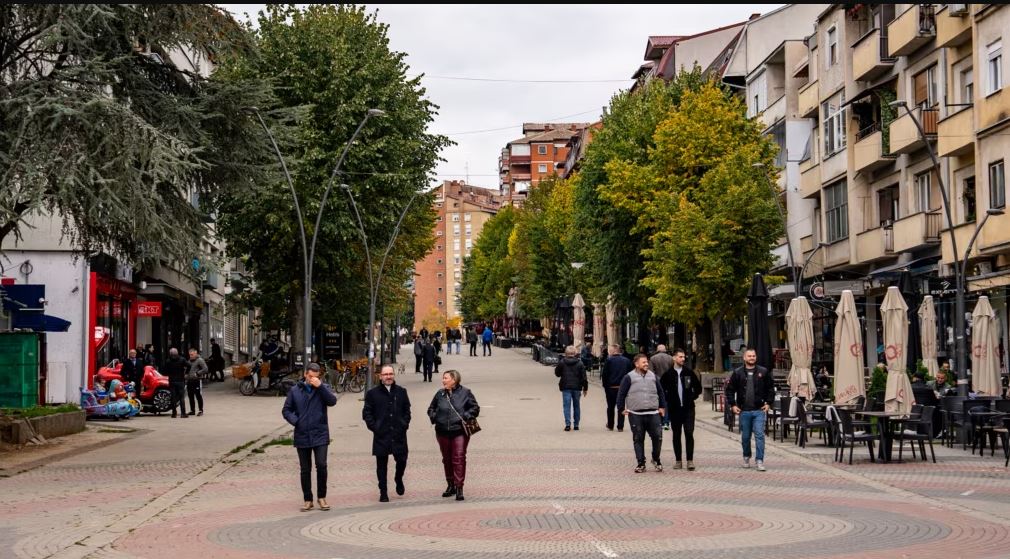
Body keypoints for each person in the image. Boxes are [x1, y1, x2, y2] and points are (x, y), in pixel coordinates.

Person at [282, 363, 337, 511]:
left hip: (320, 433)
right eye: (311, 376)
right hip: (302, 434)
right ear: (305, 374)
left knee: (322, 465)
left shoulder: (322, 388)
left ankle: (322, 497)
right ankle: (308, 499)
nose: (313, 379)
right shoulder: (295, 390)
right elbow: (286, 410)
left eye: (316, 377)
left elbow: (332, 401)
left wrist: (320, 387)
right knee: (305, 469)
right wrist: (296, 421)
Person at [427, 369, 480, 501]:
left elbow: (475, 408)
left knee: (459, 457)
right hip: (442, 431)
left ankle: (459, 487)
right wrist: (435, 417)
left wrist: (465, 416)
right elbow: (431, 408)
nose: (443, 380)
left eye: (446, 378)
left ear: (454, 380)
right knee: (447, 459)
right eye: (443, 378)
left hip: (460, 431)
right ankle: (450, 485)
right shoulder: (440, 394)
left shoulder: (465, 393)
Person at [362, 364, 411, 502]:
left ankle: (398, 478)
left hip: (399, 433)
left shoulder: (401, 391)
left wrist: (404, 424)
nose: (388, 377)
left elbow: (407, 410)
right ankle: (383, 491)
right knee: (381, 465)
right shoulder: (372, 394)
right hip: (381, 434)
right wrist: (375, 427)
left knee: (402, 460)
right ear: (380, 376)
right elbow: (367, 413)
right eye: (386, 374)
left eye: (390, 374)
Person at [616, 353, 667, 473]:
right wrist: (621, 408)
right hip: (636, 414)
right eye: (643, 362)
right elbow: (621, 393)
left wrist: (662, 407)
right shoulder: (629, 377)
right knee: (638, 438)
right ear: (636, 364)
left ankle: (656, 458)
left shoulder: (653, 376)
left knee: (658, 436)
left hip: (653, 412)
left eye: (646, 362)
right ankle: (641, 462)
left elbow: (661, 392)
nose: (646, 364)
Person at [726, 348, 775, 471]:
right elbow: (730, 390)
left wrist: (769, 403)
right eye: (749, 356)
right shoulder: (737, 373)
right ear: (744, 358)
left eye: (753, 356)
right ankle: (746, 456)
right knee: (745, 437)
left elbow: (770, 388)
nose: (752, 358)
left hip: (759, 410)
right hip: (744, 411)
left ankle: (759, 460)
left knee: (759, 435)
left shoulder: (763, 372)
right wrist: (733, 405)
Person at [660, 348, 701, 470]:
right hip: (675, 409)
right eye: (680, 357)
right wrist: (669, 400)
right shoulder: (668, 374)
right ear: (674, 358)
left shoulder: (688, 372)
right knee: (676, 435)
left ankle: (690, 460)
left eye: (684, 357)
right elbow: (661, 390)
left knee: (689, 433)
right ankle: (678, 460)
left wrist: (691, 397)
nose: (683, 359)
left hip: (688, 409)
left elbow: (698, 388)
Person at [555, 345, 588, 431]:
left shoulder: (562, 362)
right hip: (577, 387)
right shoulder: (580, 363)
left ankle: (568, 424)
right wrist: (585, 388)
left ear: (566, 353)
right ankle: (576, 424)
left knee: (566, 406)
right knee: (577, 406)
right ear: (575, 353)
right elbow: (584, 377)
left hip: (566, 386)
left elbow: (557, 374)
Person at [602, 344, 633, 432]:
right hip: (623, 387)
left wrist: (605, 386)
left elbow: (605, 375)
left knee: (610, 407)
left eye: (610, 350)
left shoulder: (609, 360)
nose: (609, 352)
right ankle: (620, 426)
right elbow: (630, 374)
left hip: (611, 387)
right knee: (621, 407)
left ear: (614, 351)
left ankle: (610, 425)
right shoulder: (627, 361)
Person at [649, 345, 673, 429]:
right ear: (665, 350)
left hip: (657, 382)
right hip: (669, 382)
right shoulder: (670, 358)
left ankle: (662, 420)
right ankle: (667, 420)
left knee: (659, 400)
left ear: (657, 350)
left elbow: (651, 372)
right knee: (667, 401)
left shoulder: (653, 358)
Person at [162, 348, 189, 418]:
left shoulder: (168, 361)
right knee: (181, 397)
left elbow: (164, 371)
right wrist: (185, 373)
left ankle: (174, 413)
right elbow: (189, 365)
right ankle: (183, 413)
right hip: (180, 380)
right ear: (177, 353)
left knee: (173, 397)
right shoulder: (182, 359)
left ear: (170, 354)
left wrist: (169, 374)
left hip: (172, 381)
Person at [187, 348, 208, 416]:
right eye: (190, 355)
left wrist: (198, 373)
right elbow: (187, 369)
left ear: (196, 353)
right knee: (190, 396)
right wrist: (185, 375)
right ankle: (192, 410)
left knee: (198, 395)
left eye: (192, 354)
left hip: (197, 381)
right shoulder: (189, 361)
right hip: (189, 381)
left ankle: (200, 410)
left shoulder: (200, 360)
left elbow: (205, 369)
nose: (191, 356)